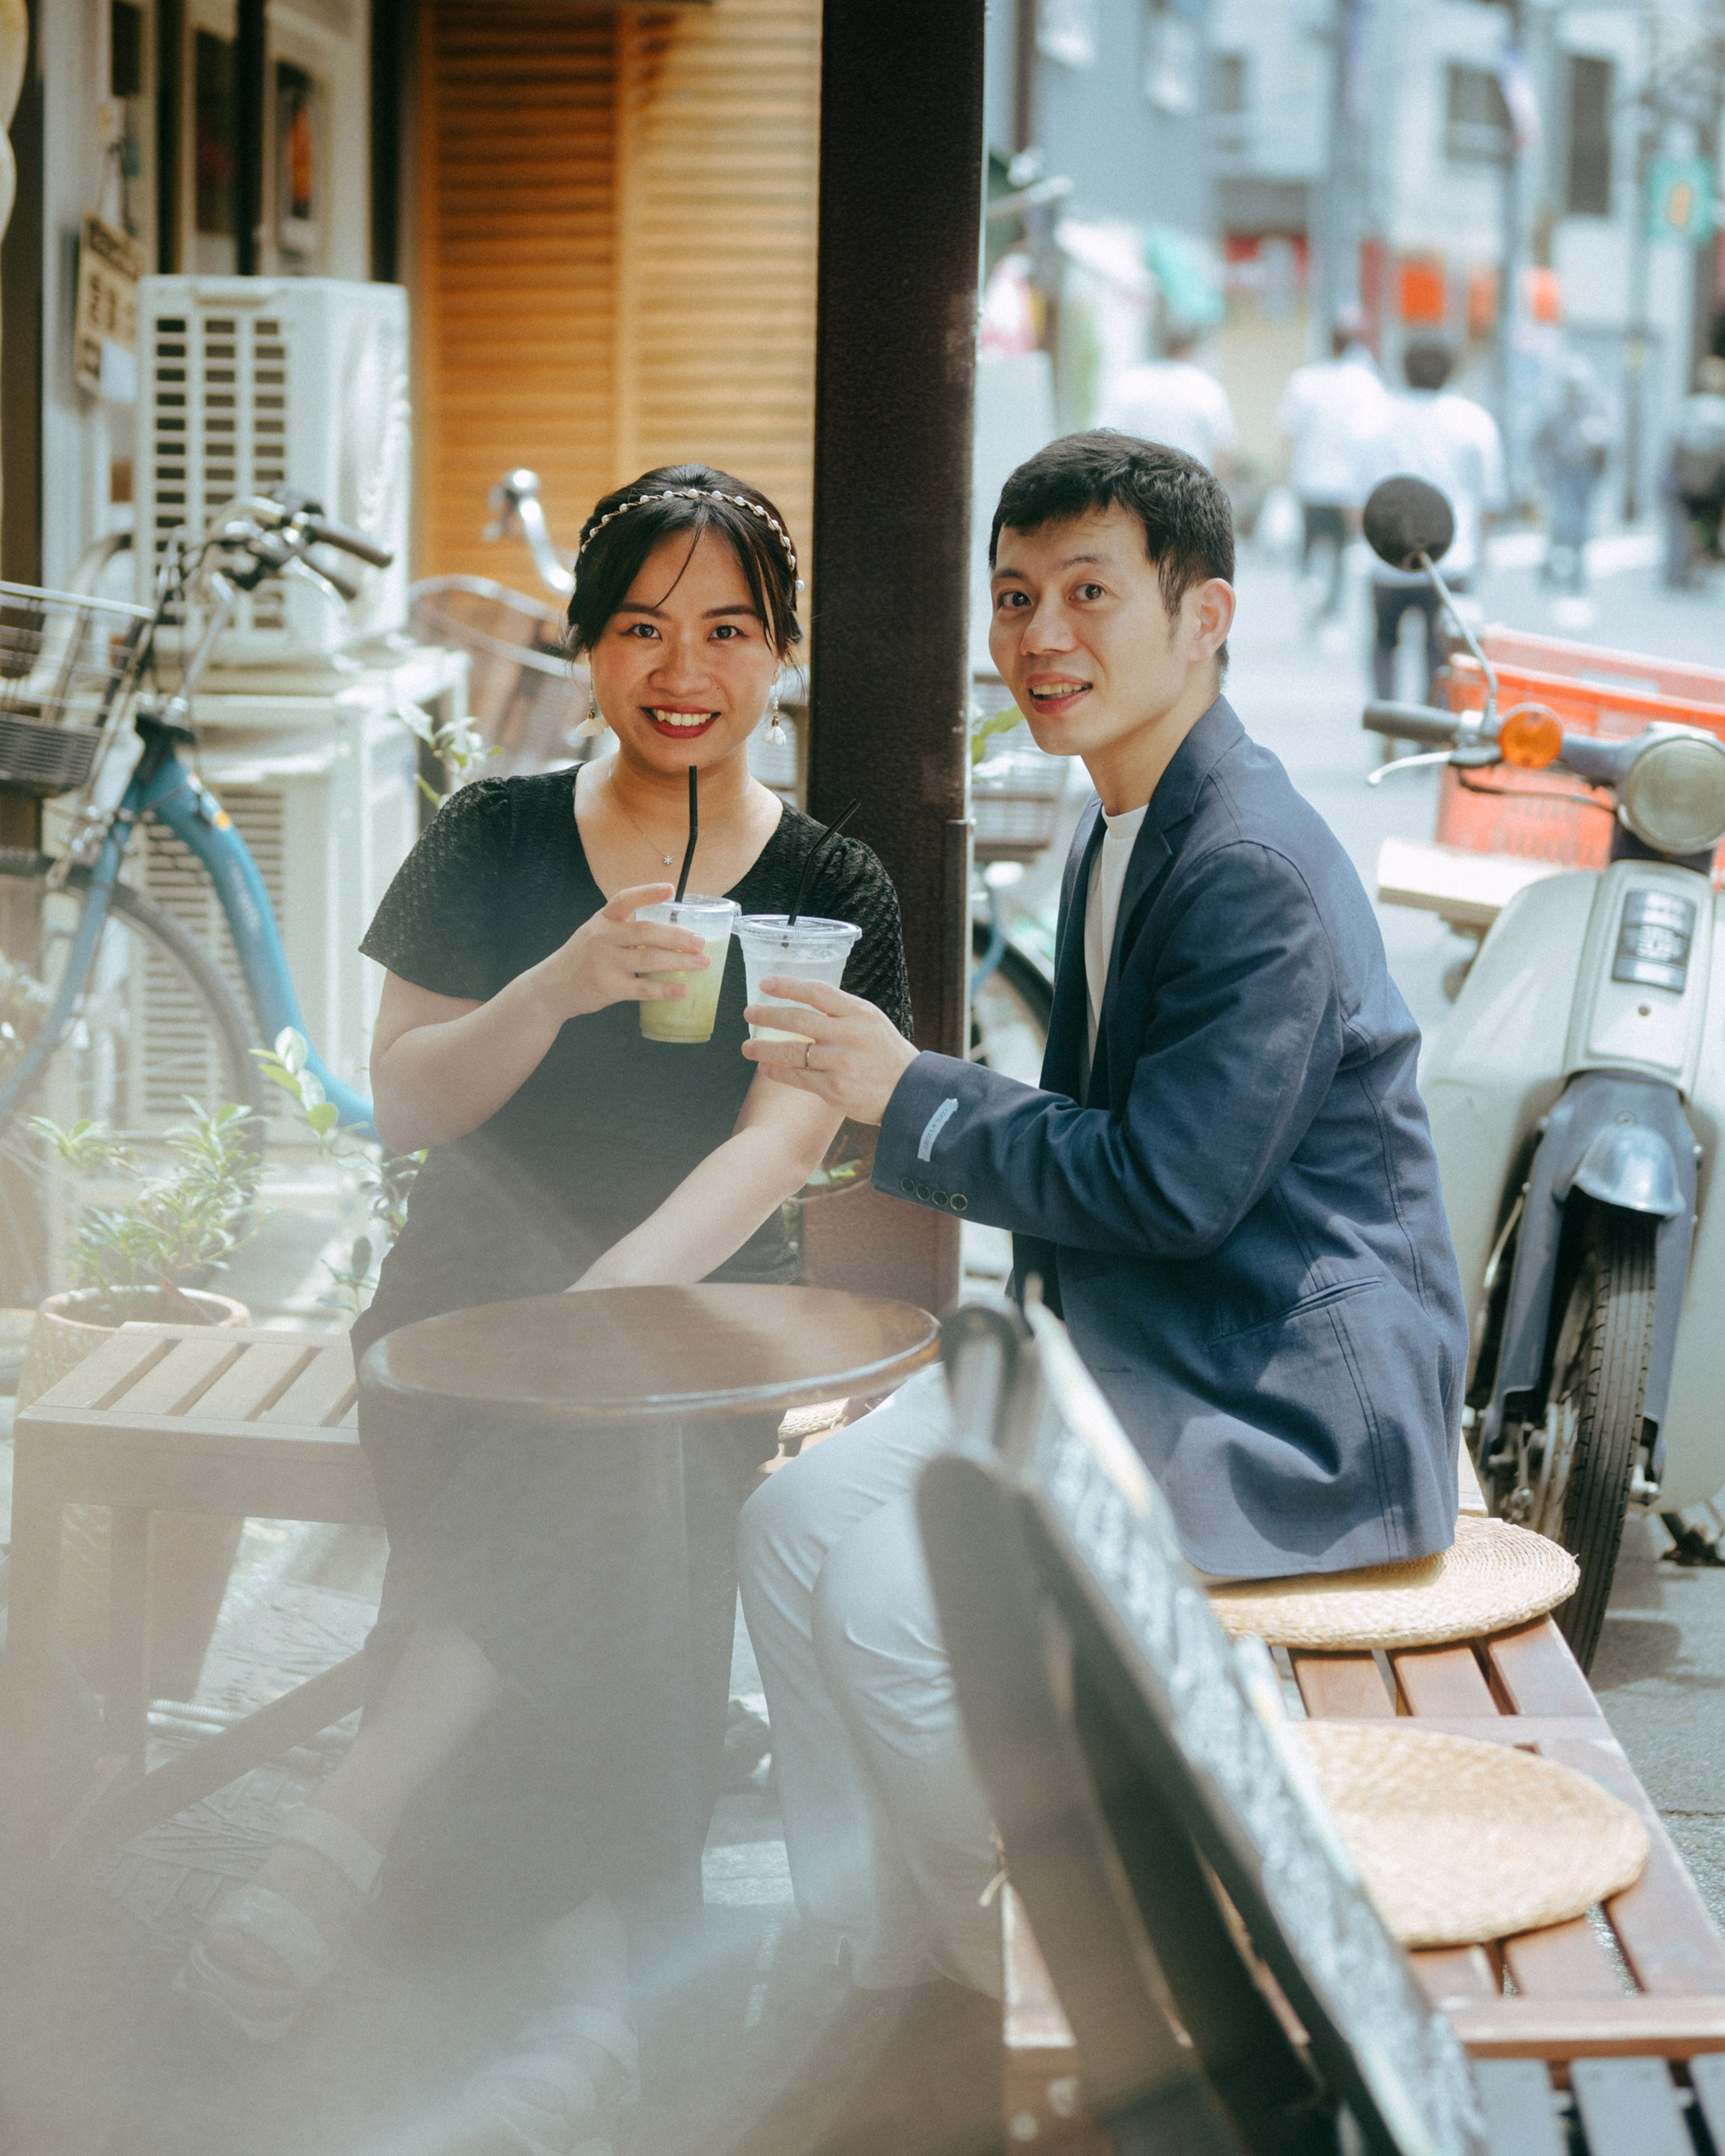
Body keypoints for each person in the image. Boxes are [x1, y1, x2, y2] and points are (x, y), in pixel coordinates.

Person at [735, 432, 1467, 2155]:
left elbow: (1167, 1187)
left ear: (1203, 615)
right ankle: (881, 1966)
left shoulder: (1245, 863)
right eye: (1013, 597)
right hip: (1147, 1342)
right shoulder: (1124, 813)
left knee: (895, 1603)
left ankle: (1003, 1987)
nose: (1038, 637)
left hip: (1278, 1390)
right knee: (790, 1530)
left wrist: (907, 1095)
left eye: (1086, 594)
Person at [178, 466, 911, 2152]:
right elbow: (405, 1104)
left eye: (728, 630)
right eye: (641, 626)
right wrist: (561, 980)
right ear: (586, 645)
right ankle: (599, 2017)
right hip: (465, 1291)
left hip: (699, 1305)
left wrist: (610, 1301)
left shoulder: (832, 886)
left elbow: (775, 1146)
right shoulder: (494, 834)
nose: (684, 669)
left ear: (780, 652)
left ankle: (350, 1820)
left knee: (624, 1444)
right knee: (627, 1516)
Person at [1360, 335, 1505, 701]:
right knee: (1441, 652)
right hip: (1450, 559)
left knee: (1384, 642)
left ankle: (1386, 716)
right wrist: (1481, 549)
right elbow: (1490, 499)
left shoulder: (1376, 417)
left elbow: (1360, 495)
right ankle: (1430, 724)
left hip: (1387, 557)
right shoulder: (1473, 421)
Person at [1275, 309, 1386, 622]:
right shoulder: (1367, 383)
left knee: (1308, 544)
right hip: (1348, 487)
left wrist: (1282, 478)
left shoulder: (1305, 380)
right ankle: (1331, 612)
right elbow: (1375, 436)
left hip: (1309, 479)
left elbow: (1290, 435)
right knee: (1340, 551)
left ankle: (1308, 591)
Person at [1098, 324, 1236, 474]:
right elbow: (1221, 453)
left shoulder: (1130, 382)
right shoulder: (1206, 387)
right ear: (1190, 346)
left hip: (1137, 481)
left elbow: (1106, 439)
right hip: (1191, 482)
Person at [1533, 358, 1609, 594]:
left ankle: (1577, 576)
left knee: (1582, 528)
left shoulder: (1596, 415)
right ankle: (1550, 569)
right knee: (1563, 524)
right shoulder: (1555, 415)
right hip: (1563, 474)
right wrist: (1542, 475)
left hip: (1587, 476)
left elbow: (1608, 451)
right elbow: (1540, 446)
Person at [1665, 354, 1725, 589]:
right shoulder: (1722, 412)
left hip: (1686, 485)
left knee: (1685, 528)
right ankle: (1701, 570)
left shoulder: (1688, 409)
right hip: (1713, 489)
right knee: (1707, 528)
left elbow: (1674, 448)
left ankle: (1681, 571)